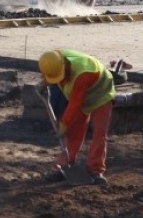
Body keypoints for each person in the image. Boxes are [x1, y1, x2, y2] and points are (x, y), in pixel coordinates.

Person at [38, 49, 115, 185]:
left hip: (101, 94)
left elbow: (75, 103)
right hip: (79, 93)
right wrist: (44, 82)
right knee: (73, 132)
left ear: (65, 66)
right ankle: (65, 165)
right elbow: (50, 72)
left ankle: (96, 171)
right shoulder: (53, 59)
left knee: (100, 132)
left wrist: (63, 125)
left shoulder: (83, 73)